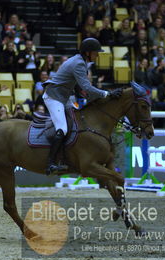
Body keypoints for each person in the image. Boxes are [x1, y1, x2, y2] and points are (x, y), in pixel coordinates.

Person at [42, 38, 122, 175]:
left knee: (77, 123)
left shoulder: (80, 61)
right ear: (88, 52)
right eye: (96, 53)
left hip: (64, 97)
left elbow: (78, 85)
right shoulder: (79, 63)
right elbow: (86, 86)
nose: (97, 55)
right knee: (62, 128)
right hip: (54, 97)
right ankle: (51, 163)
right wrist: (107, 93)